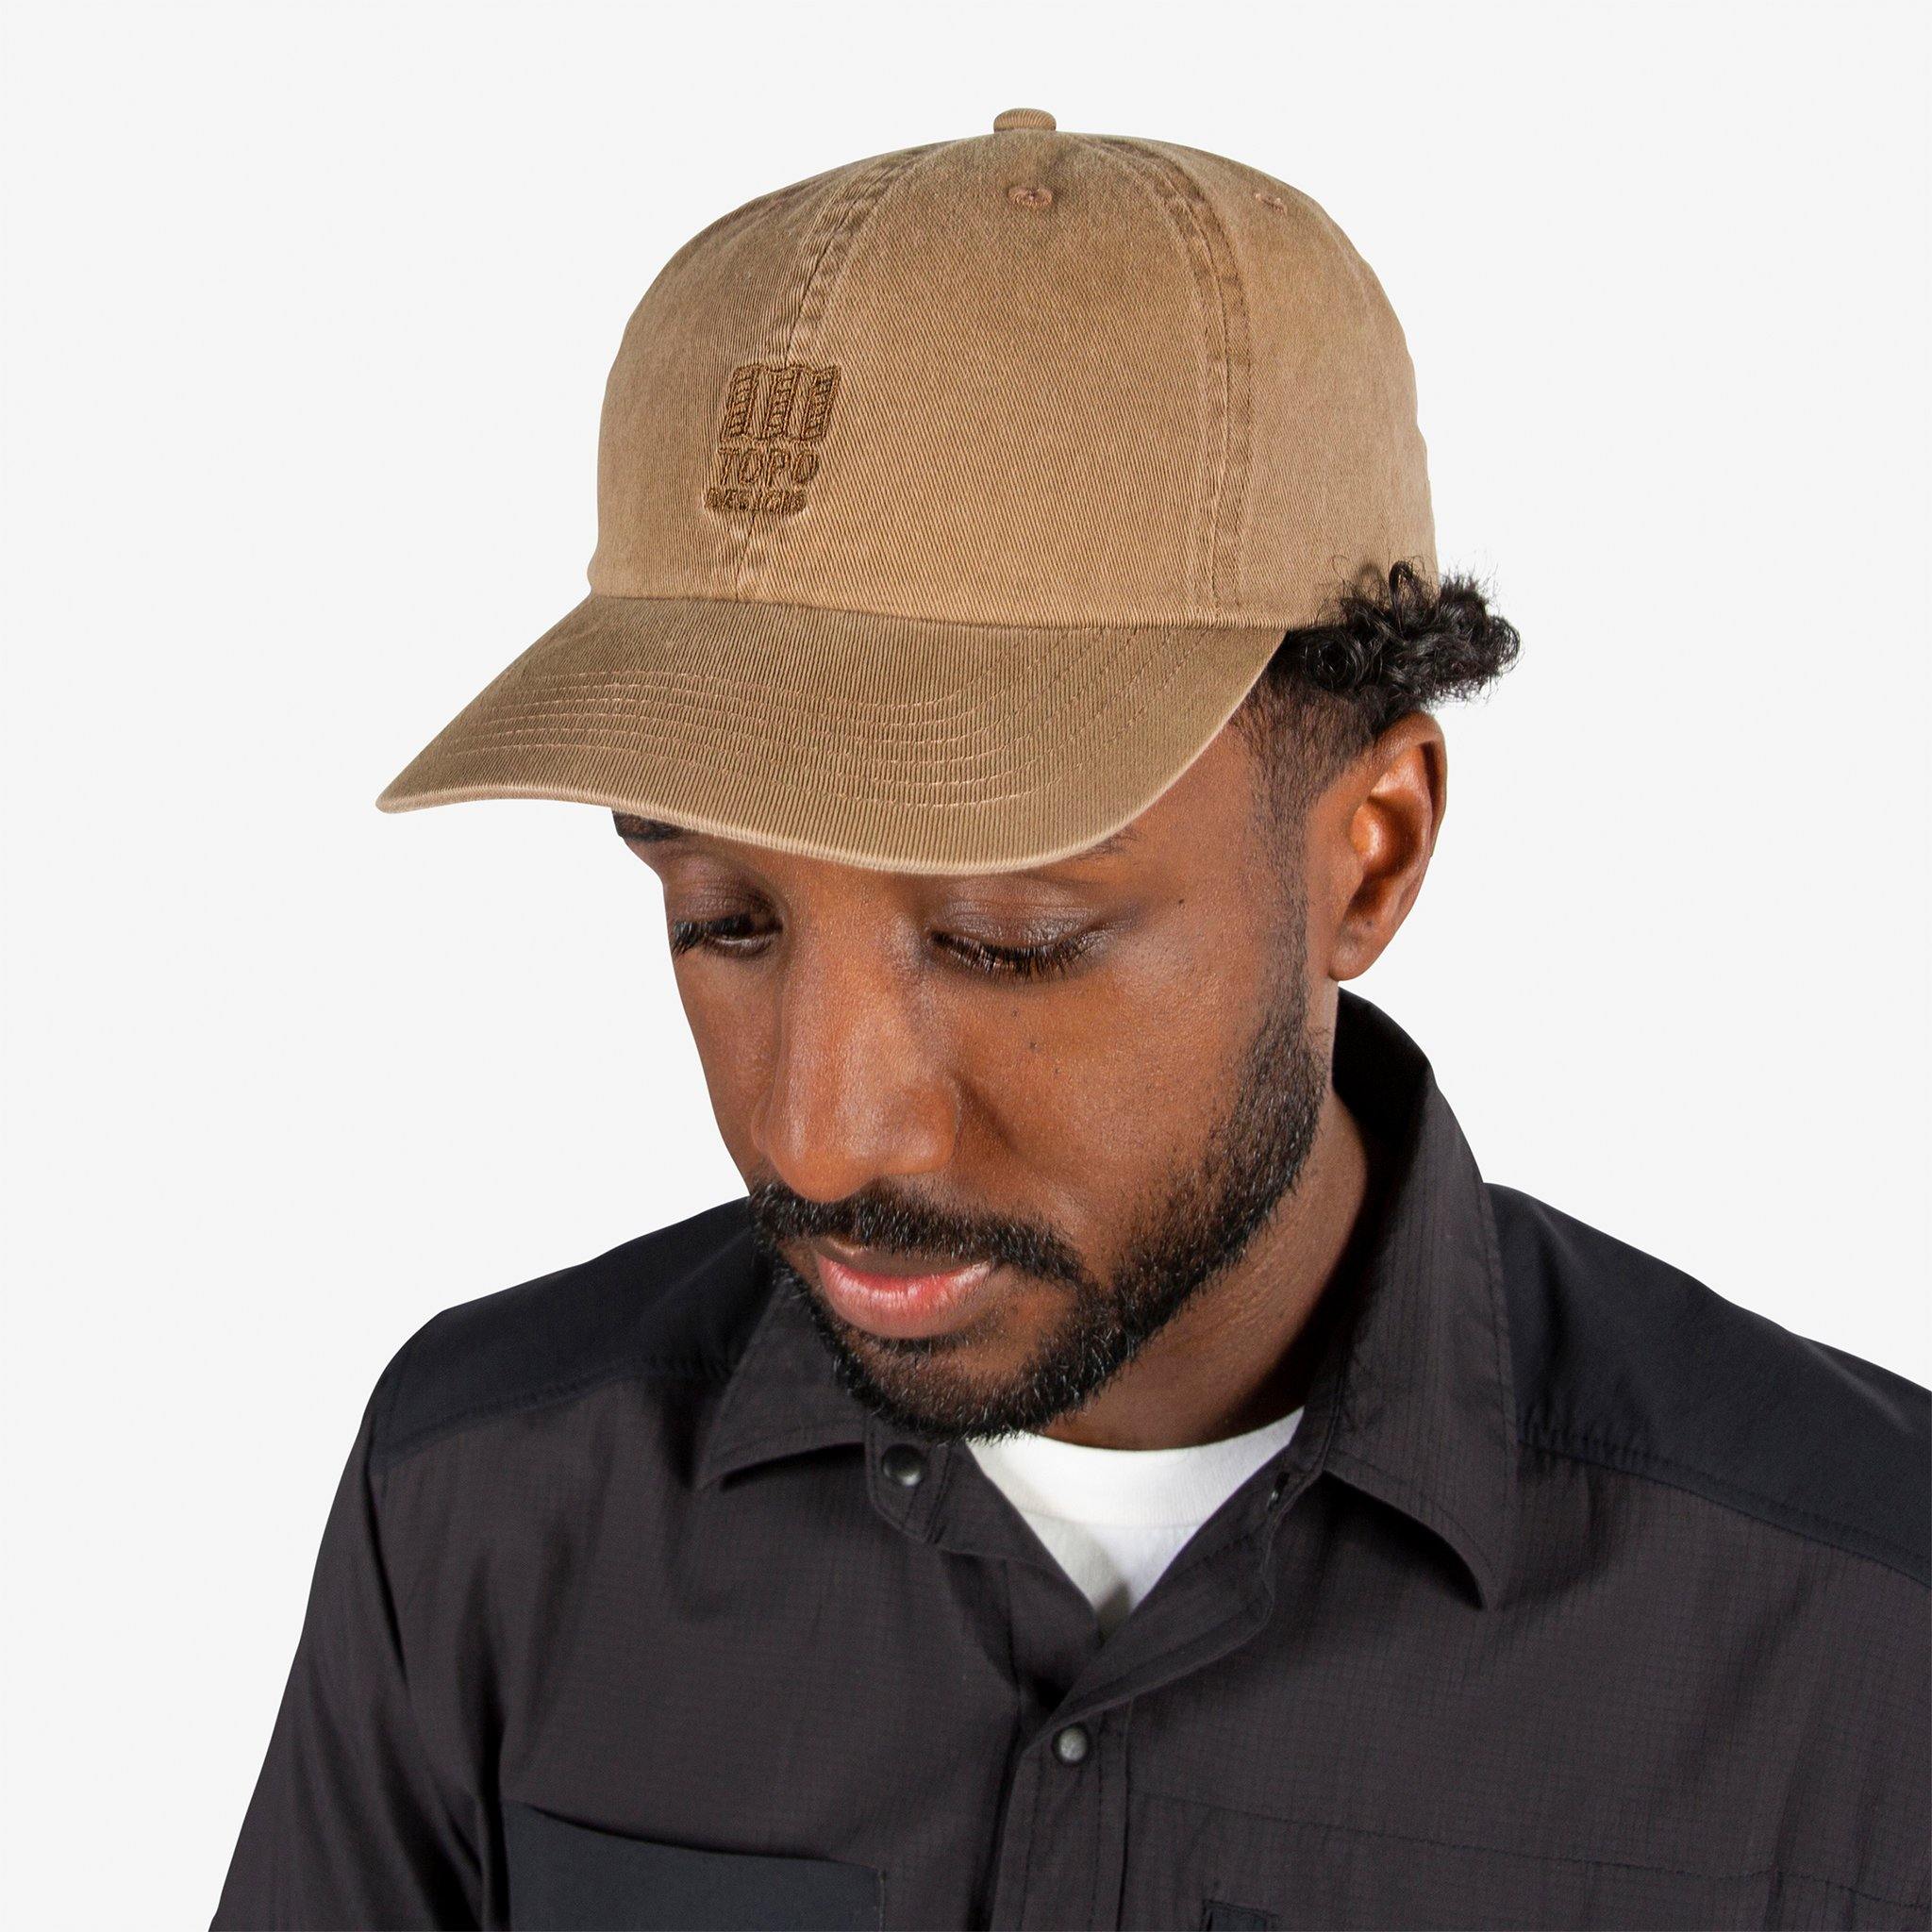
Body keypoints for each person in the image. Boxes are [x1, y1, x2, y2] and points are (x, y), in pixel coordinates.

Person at [211, 109, 1929, 1932]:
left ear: (1371, 853)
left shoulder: (1864, 1637)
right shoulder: (484, 1510)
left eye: (1004, 939)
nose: (820, 1138)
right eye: (724, 919)